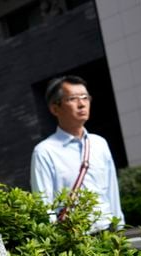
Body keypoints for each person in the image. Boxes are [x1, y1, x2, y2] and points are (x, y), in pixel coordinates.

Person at [31, 75, 124, 232]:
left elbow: (112, 191)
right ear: (55, 108)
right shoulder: (44, 151)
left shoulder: (99, 144)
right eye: (73, 99)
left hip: (108, 233)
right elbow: (44, 204)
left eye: (85, 97)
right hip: (74, 238)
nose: (82, 104)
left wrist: (119, 228)